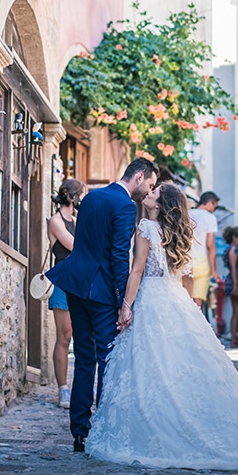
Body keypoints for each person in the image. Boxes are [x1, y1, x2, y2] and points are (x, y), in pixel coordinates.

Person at [85, 183, 238, 470]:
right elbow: (185, 276)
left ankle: (157, 427)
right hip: (174, 297)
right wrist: (188, 305)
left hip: (151, 298)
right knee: (177, 364)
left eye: (154, 192)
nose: (148, 192)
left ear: (161, 203)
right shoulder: (176, 232)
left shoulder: (145, 228)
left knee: (151, 363)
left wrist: (126, 305)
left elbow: (138, 269)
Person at [46, 157, 158, 452]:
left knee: (83, 358)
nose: (148, 192)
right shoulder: (123, 206)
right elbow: (119, 255)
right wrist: (124, 300)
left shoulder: (93, 196)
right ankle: (105, 429)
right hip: (102, 292)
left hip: (75, 285)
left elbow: (84, 243)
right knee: (107, 358)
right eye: (149, 185)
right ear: (139, 176)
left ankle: (80, 432)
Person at [46, 178, 86, 409]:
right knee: (64, 335)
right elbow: (75, 245)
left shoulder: (77, 220)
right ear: (72, 197)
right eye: (82, 195)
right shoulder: (55, 221)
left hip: (79, 280)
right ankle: (63, 389)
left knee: (79, 335)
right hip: (62, 280)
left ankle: (77, 386)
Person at [189, 191, 221, 310]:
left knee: (185, 300)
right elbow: (210, 244)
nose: (214, 209)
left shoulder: (187, 213)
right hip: (202, 264)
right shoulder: (210, 218)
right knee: (197, 305)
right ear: (209, 203)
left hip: (186, 263)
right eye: (215, 206)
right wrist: (214, 270)